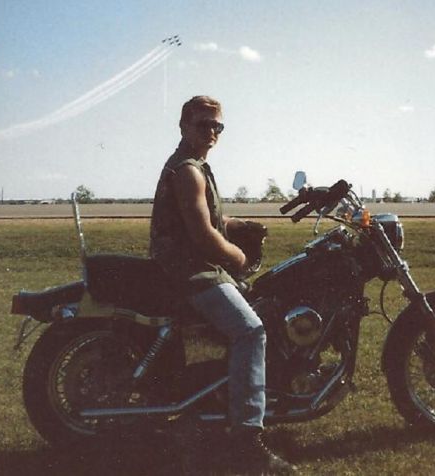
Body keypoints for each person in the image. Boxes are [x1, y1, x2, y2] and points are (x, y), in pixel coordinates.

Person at [149, 96, 296, 474]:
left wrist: (240, 225)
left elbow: (210, 216)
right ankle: (247, 441)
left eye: (217, 126)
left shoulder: (197, 166)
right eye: (203, 124)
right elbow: (201, 234)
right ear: (183, 127)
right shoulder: (188, 171)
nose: (212, 132)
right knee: (251, 331)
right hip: (191, 270)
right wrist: (238, 256)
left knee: (266, 302)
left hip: (192, 266)